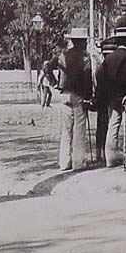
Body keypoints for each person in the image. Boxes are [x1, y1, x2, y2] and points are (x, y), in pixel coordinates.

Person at [43, 27, 93, 171]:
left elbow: (46, 68)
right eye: (84, 41)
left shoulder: (63, 55)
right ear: (82, 42)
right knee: (79, 130)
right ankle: (78, 162)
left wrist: (54, 84)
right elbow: (87, 80)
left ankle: (64, 162)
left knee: (66, 130)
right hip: (78, 96)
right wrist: (88, 97)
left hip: (64, 95)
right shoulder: (85, 58)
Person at [101, 19, 126, 168]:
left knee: (113, 126)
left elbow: (103, 78)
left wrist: (111, 94)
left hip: (113, 98)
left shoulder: (109, 59)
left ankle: (110, 158)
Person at [93, 40, 117, 164]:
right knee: (110, 128)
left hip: (102, 100)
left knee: (101, 127)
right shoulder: (114, 68)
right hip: (111, 100)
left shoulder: (100, 68)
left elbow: (97, 87)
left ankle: (100, 153)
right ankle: (108, 153)